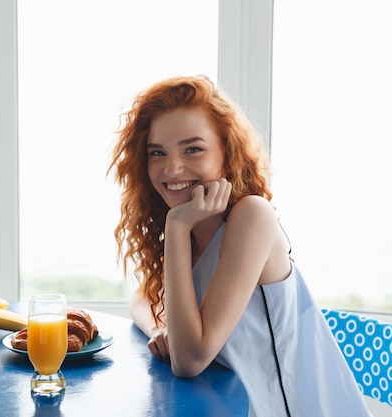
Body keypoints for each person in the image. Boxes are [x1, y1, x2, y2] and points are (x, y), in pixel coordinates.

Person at [108, 75, 372, 417]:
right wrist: (161, 327)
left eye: (192, 149)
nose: (172, 169)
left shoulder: (250, 216)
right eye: (157, 153)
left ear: (226, 152)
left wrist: (175, 228)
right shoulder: (192, 226)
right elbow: (144, 297)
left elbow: (189, 360)